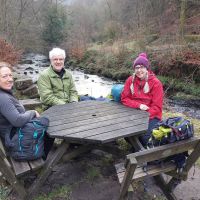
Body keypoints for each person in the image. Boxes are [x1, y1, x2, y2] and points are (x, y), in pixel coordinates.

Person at [0, 62, 53, 157]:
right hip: (16, 143)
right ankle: (43, 162)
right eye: (4, 76)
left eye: (10, 75)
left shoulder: (4, 93)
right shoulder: (2, 98)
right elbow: (18, 121)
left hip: (14, 136)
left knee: (46, 125)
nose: (10, 79)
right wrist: (32, 112)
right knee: (48, 128)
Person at [121, 53, 163, 147]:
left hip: (152, 115)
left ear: (147, 68)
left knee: (145, 137)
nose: (139, 70)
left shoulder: (156, 83)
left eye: (142, 67)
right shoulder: (130, 80)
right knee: (125, 132)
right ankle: (136, 147)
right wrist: (138, 105)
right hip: (134, 112)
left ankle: (142, 152)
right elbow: (124, 99)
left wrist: (144, 116)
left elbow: (156, 107)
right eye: (136, 67)